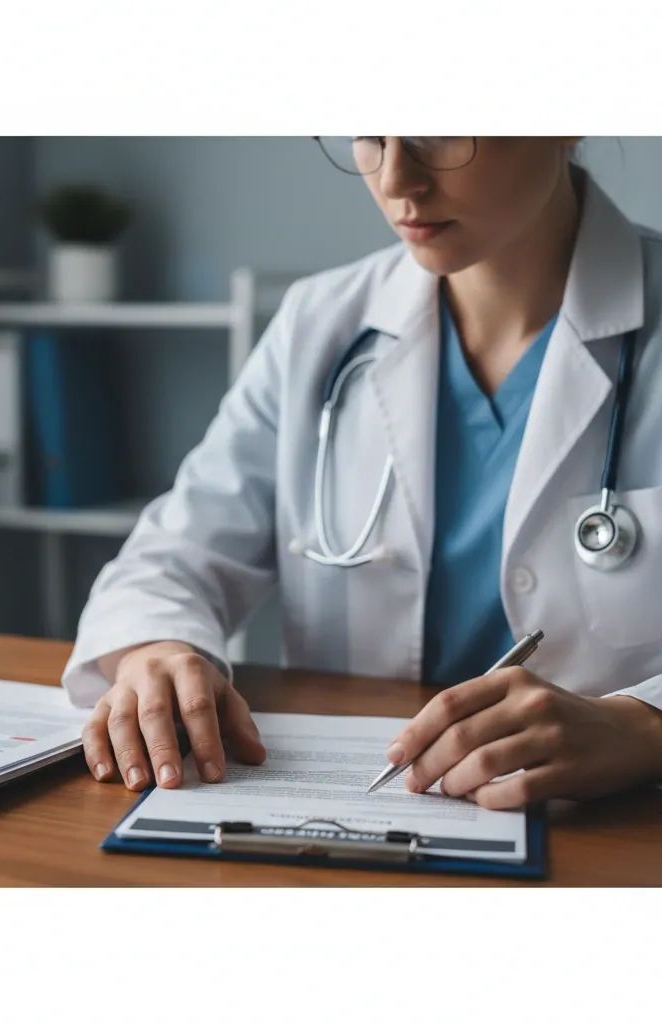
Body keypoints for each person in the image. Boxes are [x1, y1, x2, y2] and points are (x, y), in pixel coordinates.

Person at [60, 137, 662, 810]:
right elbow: (173, 555)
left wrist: (642, 724)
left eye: (439, 131)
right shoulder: (320, 323)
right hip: (353, 818)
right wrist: (158, 648)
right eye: (371, 133)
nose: (396, 178)